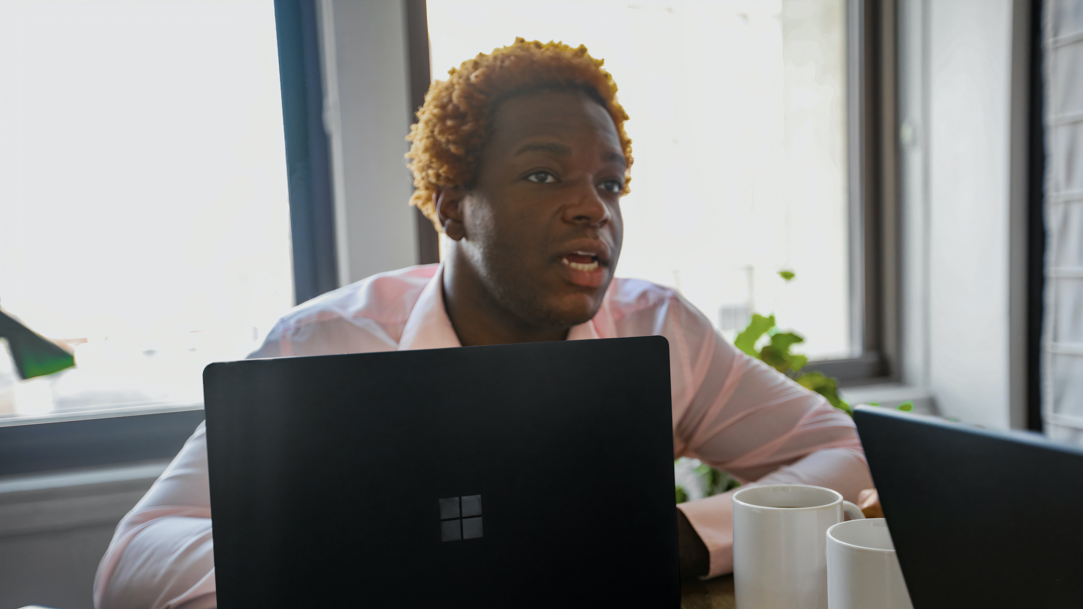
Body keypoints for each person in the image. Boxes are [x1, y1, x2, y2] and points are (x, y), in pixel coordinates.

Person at [93, 39, 872, 609]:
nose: (591, 208)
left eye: (609, 182)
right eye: (542, 173)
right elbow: (135, 557)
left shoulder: (658, 330)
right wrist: (340, 570)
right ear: (451, 205)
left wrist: (680, 536)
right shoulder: (324, 345)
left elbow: (843, 450)